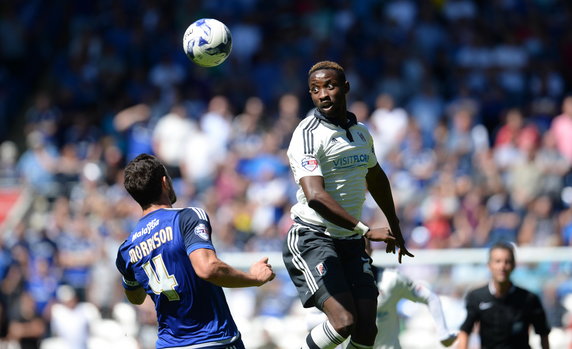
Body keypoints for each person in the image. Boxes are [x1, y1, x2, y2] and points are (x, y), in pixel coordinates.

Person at [283, 60, 413, 349]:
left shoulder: (361, 133)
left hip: (351, 242)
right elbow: (315, 196)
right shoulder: (307, 134)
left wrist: (395, 226)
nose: (323, 95)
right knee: (344, 322)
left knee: (367, 330)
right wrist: (367, 230)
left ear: (346, 88)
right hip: (313, 238)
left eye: (329, 86)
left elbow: (377, 178)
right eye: (315, 90)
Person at [115, 153, 275, 349]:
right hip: (213, 340)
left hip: (169, 345)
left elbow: (135, 297)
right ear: (165, 182)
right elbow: (207, 268)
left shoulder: (127, 248)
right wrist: (253, 278)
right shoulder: (187, 217)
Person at [457, 241, 551, 349]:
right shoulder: (476, 297)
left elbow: (543, 333)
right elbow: (465, 331)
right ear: (489, 265)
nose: (502, 266)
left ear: (514, 265)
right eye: (498, 261)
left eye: (507, 262)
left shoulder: (529, 299)